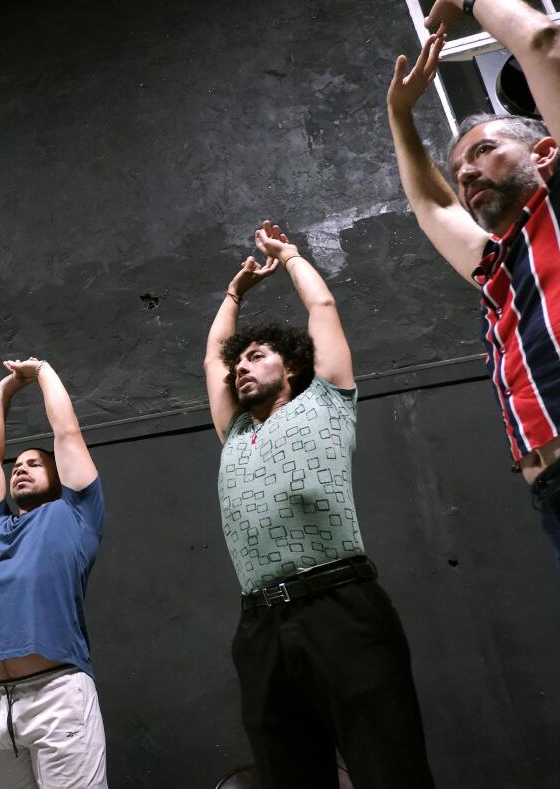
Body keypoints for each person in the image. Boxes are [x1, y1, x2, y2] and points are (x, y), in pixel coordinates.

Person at [387, 0, 560, 725]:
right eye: (462, 165)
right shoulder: (495, 264)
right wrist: (401, 118)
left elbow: (547, 43)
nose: (468, 171)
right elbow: (430, 206)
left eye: (484, 149)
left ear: (543, 148)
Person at [204, 222, 434, 788]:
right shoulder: (234, 432)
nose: (241, 367)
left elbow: (323, 304)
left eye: (256, 357)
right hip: (260, 623)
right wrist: (233, 295)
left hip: (339, 602)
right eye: (241, 363)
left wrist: (288, 257)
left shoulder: (328, 401)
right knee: (290, 775)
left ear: (294, 366)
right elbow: (213, 357)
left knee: (388, 765)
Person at [0, 357, 108, 788]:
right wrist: (6, 390)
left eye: (34, 463)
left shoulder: (77, 513)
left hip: (57, 695)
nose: (20, 468)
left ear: (59, 474)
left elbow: (66, 433)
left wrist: (41, 372)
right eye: (18, 465)